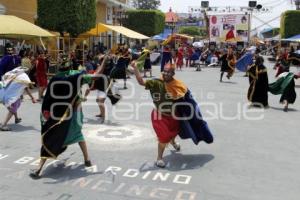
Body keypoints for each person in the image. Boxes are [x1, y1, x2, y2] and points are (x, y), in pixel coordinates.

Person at [29, 56, 109, 179]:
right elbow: (96, 76)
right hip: (74, 113)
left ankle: (39, 169)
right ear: (71, 68)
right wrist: (104, 61)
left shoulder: (55, 78)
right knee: (78, 135)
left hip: (58, 114)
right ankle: (87, 160)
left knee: (51, 138)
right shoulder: (77, 76)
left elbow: (48, 98)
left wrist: (45, 113)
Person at [131, 62, 213, 168]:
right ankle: (159, 158)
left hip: (174, 116)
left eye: (168, 72)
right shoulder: (157, 82)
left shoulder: (178, 85)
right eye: (164, 71)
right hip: (159, 116)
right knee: (163, 137)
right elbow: (141, 82)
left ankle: (173, 142)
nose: (165, 73)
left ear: (173, 73)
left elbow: (187, 100)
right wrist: (136, 68)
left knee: (174, 132)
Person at [0, 67, 36, 131]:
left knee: (17, 104)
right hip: (11, 96)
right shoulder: (24, 77)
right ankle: (3, 125)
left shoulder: (13, 74)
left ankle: (16, 118)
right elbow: (27, 88)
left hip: (3, 93)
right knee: (13, 109)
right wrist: (32, 98)